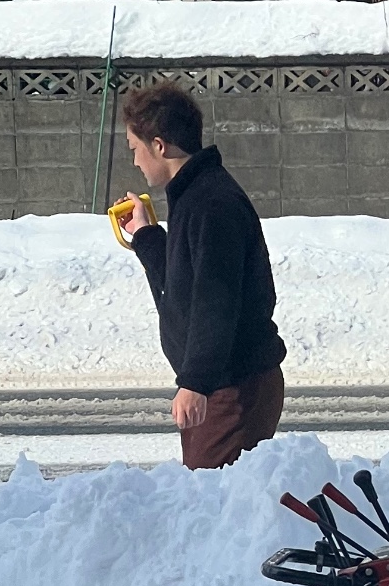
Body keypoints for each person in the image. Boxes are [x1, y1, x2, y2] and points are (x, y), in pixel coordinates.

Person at [118, 80, 287, 470]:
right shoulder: (194, 195)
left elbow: (216, 301)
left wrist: (196, 382)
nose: (135, 162)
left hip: (232, 389)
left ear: (159, 145)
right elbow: (184, 287)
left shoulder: (211, 204)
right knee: (217, 509)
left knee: (215, 512)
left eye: (135, 150)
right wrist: (145, 234)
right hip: (222, 386)